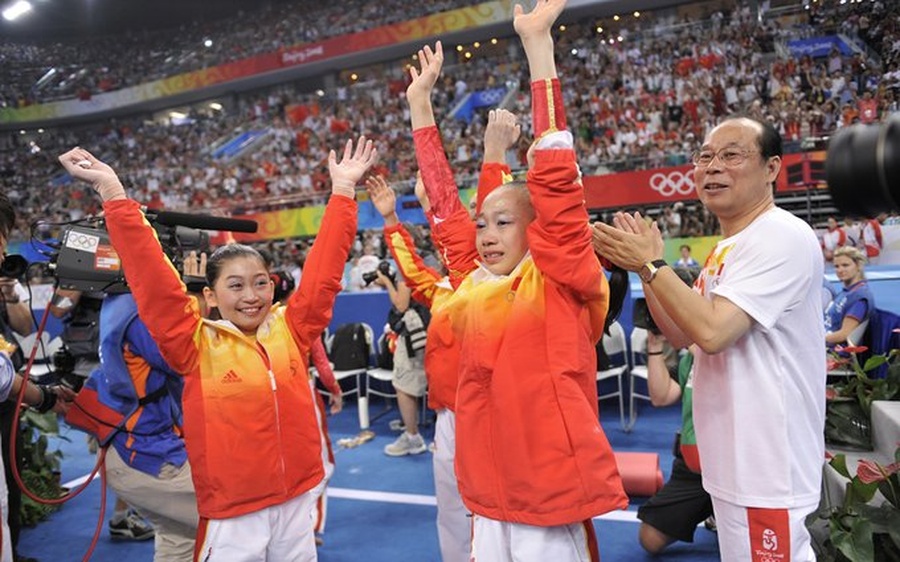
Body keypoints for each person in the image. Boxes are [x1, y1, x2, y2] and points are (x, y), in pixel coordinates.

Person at [59, 136, 377, 561]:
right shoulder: (194, 346)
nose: (251, 296)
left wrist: (342, 193)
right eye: (236, 285)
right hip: (233, 514)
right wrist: (115, 195)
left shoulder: (291, 330)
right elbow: (155, 286)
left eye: (260, 282)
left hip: (296, 501)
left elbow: (324, 274)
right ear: (210, 296)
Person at [417, 1, 628, 558]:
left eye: (502, 223)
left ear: (539, 232)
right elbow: (444, 211)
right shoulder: (475, 286)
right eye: (482, 223)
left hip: (548, 499)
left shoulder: (559, 278)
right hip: (488, 498)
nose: (484, 234)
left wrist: (538, 45)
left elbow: (557, 179)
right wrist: (419, 106)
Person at [593, 115, 825, 562]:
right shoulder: (726, 248)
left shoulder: (781, 235)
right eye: (705, 157)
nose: (713, 167)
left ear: (772, 168)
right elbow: (685, 334)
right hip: (729, 461)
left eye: (732, 155)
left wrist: (648, 267)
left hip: (767, 462)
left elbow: (714, 331)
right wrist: (649, 267)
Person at [87, 291, 197, 559]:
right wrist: (196, 297)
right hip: (147, 457)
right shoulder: (141, 315)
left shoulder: (119, 302)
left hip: (128, 451)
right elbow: (191, 359)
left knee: (179, 539)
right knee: (237, 521)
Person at [636, 333, 713, 555]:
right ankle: (711, 509)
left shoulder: (724, 345)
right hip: (693, 465)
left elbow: (713, 348)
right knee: (649, 538)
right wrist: (655, 346)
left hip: (735, 467)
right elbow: (661, 396)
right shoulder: (689, 359)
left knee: (745, 547)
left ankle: (720, 510)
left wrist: (685, 333)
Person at [825, 245, 875, 347]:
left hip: (837, 356)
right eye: (837, 266)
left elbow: (845, 334)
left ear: (858, 266)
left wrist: (814, 340)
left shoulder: (859, 297)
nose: (840, 270)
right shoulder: (846, 292)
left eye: (845, 265)